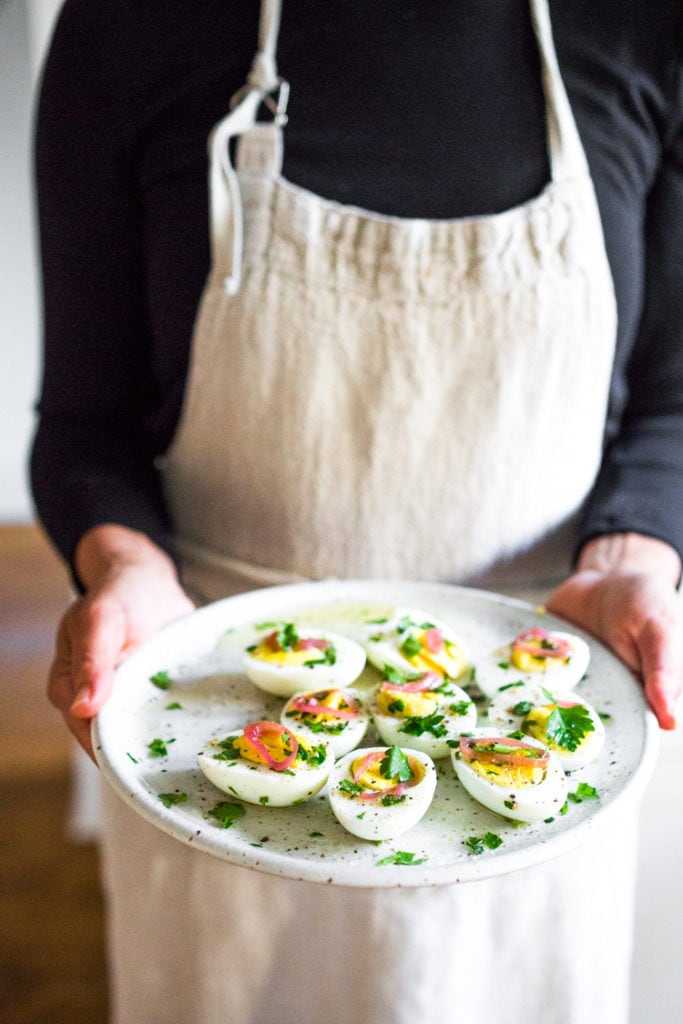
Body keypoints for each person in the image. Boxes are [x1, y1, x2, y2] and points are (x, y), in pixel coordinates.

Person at [32, 1, 682, 1022]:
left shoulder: (644, 25)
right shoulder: (131, 23)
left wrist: (632, 551)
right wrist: (126, 567)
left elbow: (671, 399)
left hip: (548, 704)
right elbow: (82, 423)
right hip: (216, 699)